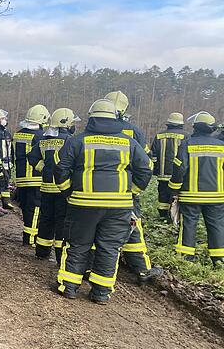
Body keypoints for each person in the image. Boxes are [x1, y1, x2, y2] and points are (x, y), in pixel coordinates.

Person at [55, 99, 152, 304]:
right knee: (109, 249)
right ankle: (101, 293)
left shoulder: (77, 141)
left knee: (77, 245)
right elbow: (145, 170)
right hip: (119, 206)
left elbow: (61, 169)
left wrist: (68, 193)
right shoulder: (129, 142)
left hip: (83, 204)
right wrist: (131, 193)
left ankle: (69, 287)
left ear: (91, 117)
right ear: (115, 117)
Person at [104, 90, 163, 284]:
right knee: (133, 228)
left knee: (96, 227)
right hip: (126, 191)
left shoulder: (91, 131)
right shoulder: (134, 132)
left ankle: (91, 266)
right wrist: (134, 189)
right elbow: (146, 163)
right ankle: (141, 269)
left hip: (93, 191)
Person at [169, 111, 224, 269]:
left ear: (195, 127)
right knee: (217, 226)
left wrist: (173, 190)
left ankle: (186, 259)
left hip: (191, 196)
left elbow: (180, 169)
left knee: (189, 224)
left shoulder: (187, 144)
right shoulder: (221, 146)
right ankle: (219, 259)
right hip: (217, 196)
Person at [27, 108, 79, 262]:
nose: (74, 125)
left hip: (46, 188)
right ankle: (59, 255)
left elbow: (32, 157)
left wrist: (44, 169)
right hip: (63, 189)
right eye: (72, 122)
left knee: (46, 220)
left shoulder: (44, 140)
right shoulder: (70, 140)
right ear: (66, 124)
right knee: (62, 222)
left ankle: (42, 251)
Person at [14, 104, 50, 246]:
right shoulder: (40, 136)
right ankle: (29, 239)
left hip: (21, 177)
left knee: (26, 208)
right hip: (35, 178)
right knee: (35, 209)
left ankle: (27, 236)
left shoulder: (18, 134)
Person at [150, 113, 187, 221]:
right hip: (179, 175)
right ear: (181, 124)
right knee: (177, 195)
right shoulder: (186, 136)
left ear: (168, 123)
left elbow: (153, 155)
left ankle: (163, 216)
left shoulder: (159, 136)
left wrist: (155, 170)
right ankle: (175, 217)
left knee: (163, 196)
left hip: (162, 174)